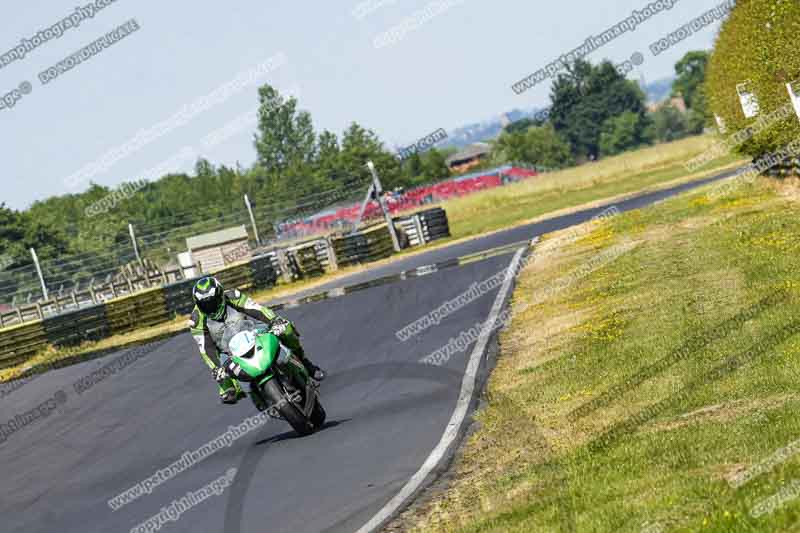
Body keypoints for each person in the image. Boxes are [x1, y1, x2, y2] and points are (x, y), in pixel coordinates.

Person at [188, 276, 325, 410]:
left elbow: (256, 309)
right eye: (204, 304)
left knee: (286, 329)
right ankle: (240, 391)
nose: (210, 307)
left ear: (220, 295)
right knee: (225, 385)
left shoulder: (232, 296)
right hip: (228, 350)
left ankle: (305, 362)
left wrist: (274, 320)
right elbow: (206, 349)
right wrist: (216, 368)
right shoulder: (196, 320)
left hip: (253, 332)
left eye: (212, 302)